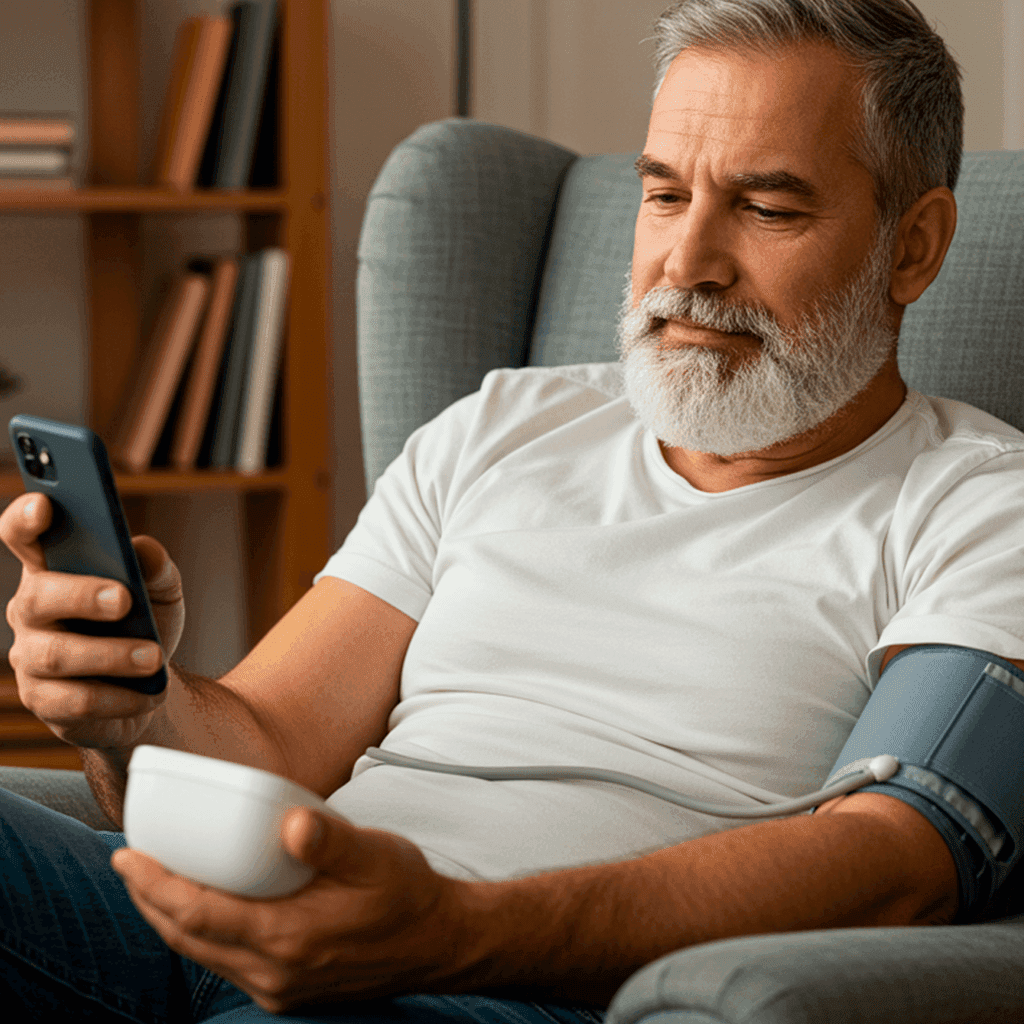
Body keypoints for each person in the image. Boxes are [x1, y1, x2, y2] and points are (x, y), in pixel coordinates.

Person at [3, 0, 1024, 1020]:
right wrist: (132, 711)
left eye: (767, 209)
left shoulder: (979, 505)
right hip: (261, 912)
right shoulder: (506, 420)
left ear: (913, 246)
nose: (688, 263)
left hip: (506, 985)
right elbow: (265, 748)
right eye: (664, 195)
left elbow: (901, 856)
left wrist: (453, 932)